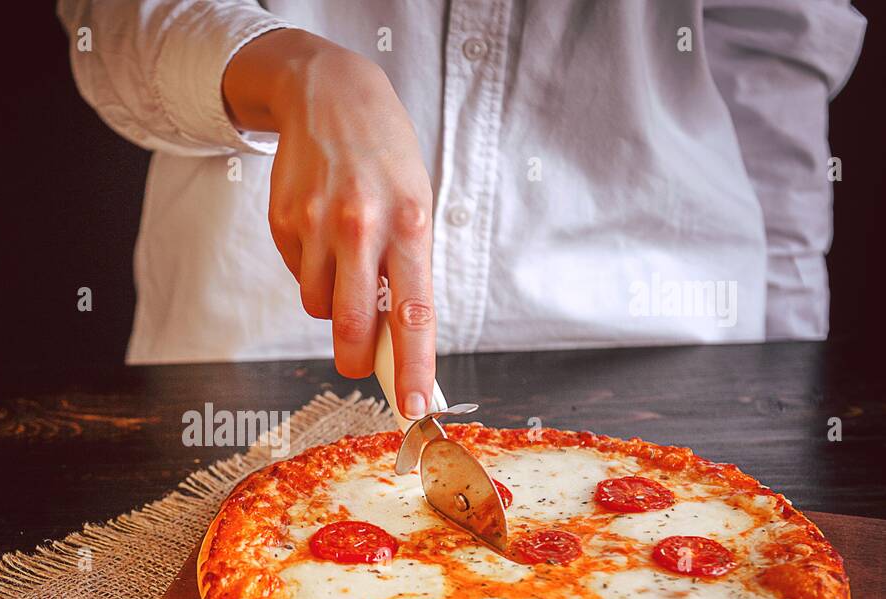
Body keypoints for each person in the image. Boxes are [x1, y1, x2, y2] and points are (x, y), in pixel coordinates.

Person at [58, 1, 864, 419]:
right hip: (245, 376)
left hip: (680, 368)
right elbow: (110, 23)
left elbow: (774, 65)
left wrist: (790, 380)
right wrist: (286, 69)